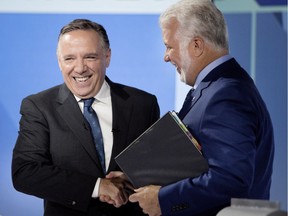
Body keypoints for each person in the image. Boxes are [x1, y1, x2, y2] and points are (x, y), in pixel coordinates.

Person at [128, 0, 275, 215]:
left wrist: (162, 199)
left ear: (197, 45)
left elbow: (230, 179)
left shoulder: (226, 95)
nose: (166, 56)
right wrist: (138, 175)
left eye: (169, 46)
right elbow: (192, 161)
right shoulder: (215, 88)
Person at [12, 19, 160, 216]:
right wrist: (98, 186)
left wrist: (134, 178)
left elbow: (157, 166)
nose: (80, 68)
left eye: (89, 57)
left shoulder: (143, 104)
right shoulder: (39, 107)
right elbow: (25, 172)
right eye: (69, 58)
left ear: (107, 56)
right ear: (59, 61)